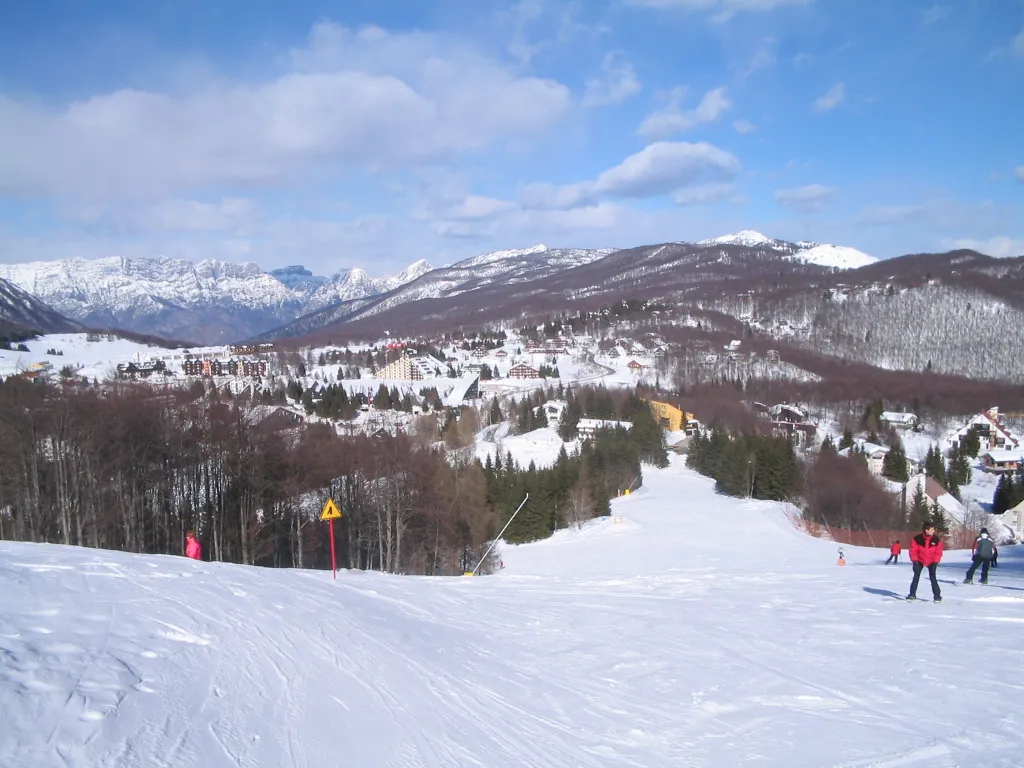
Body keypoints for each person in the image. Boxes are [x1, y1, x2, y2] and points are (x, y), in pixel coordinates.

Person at [907, 524, 943, 602]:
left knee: (933, 578)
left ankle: (937, 596)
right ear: (926, 530)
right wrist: (915, 561)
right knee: (916, 577)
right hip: (919, 560)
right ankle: (912, 594)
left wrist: (935, 562)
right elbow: (913, 550)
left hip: (931, 561)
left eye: (934, 530)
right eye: (932, 529)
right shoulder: (917, 539)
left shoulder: (936, 540)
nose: (933, 531)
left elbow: (938, 552)